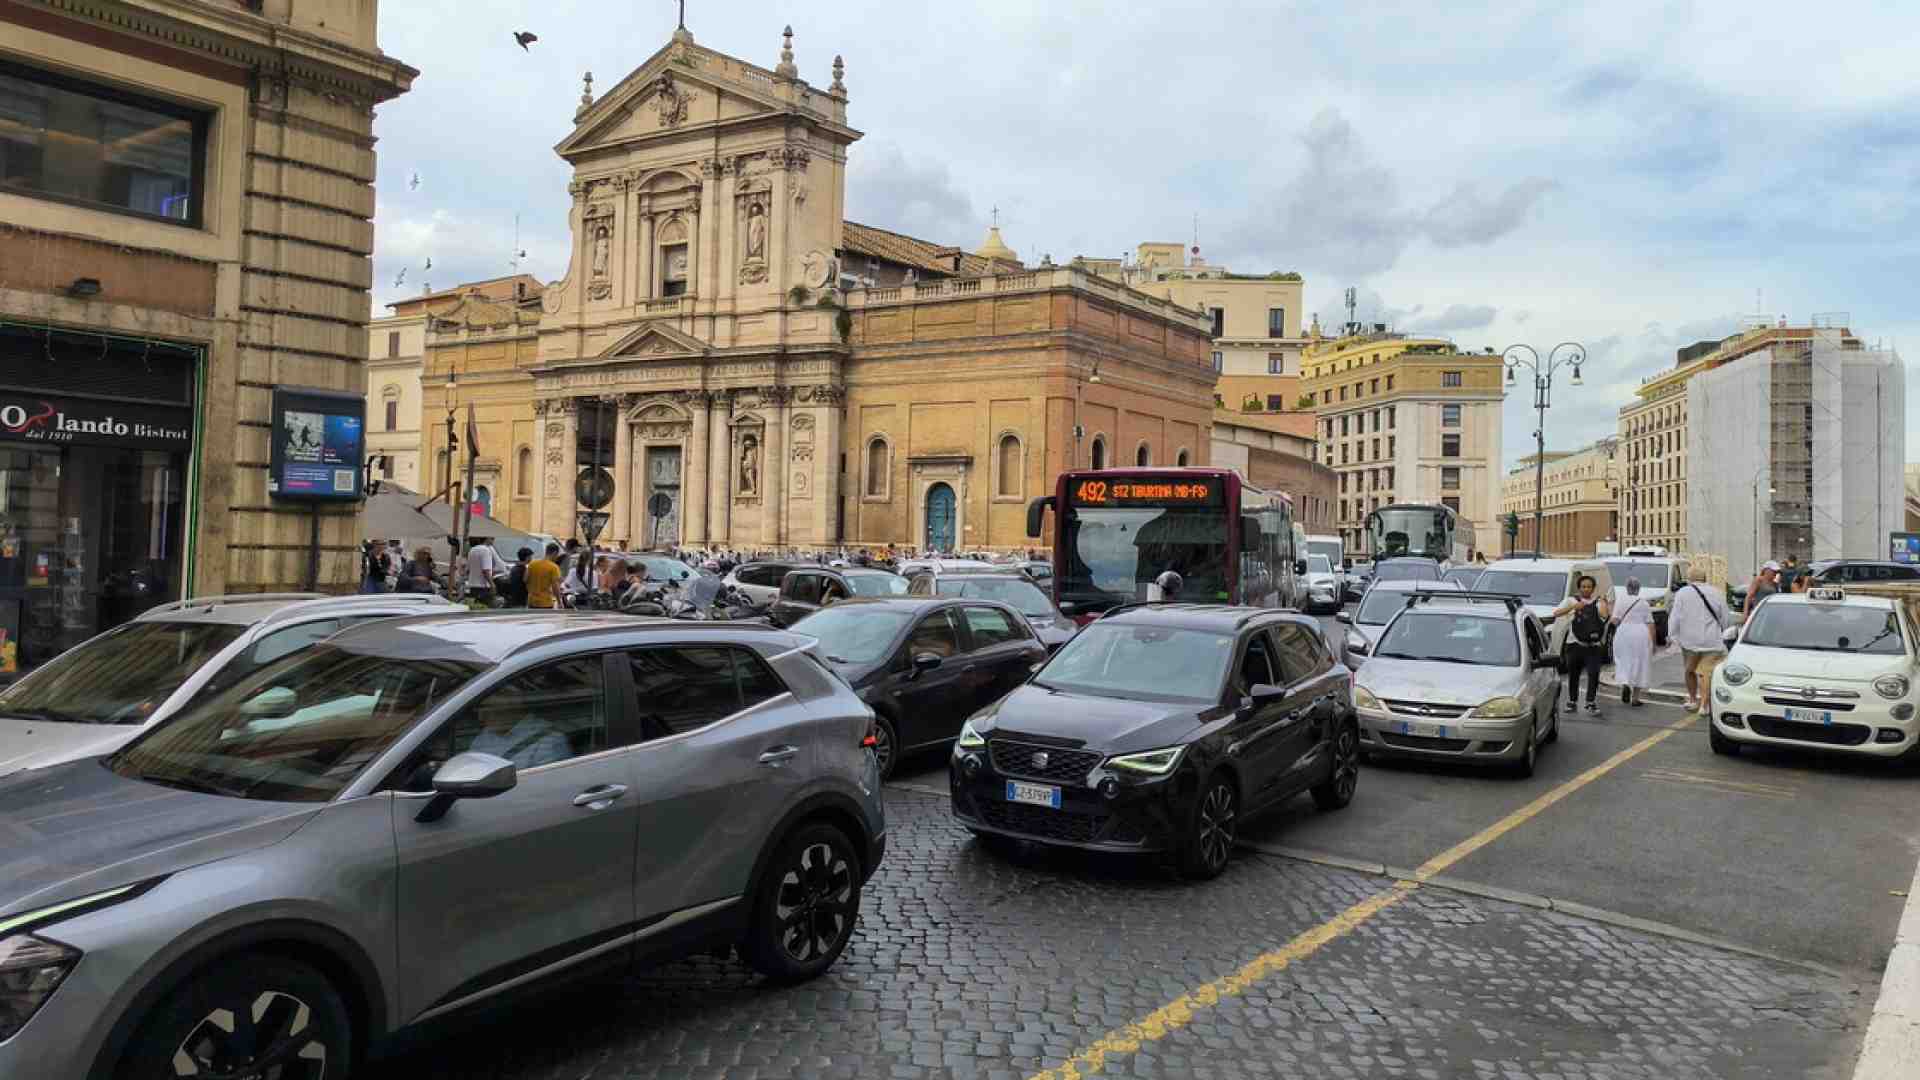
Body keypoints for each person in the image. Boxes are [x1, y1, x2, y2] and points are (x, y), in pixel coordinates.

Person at [1668, 565, 1729, 713]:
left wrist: (1672, 635)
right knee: (1706, 673)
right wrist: (1722, 631)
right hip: (1712, 640)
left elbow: (1675, 617)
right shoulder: (1717, 592)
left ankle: (1693, 699)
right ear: (1705, 578)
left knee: (1690, 670)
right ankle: (1705, 705)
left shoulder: (1682, 593)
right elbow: (1725, 618)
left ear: (1689, 579)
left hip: (1689, 641)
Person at [1554, 575, 1611, 715]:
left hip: (1594, 646)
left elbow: (1604, 615)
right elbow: (1556, 613)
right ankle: (1572, 702)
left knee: (1594, 674)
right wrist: (1573, 607)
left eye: (1589, 586)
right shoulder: (1571, 600)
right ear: (1579, 588)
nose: (1586, 589)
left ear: (1593, 588)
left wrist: (1603, 602)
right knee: (1574, 674)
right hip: (1574, 644)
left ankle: (1590, 702)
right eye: (1583, 586)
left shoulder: (1598, 602)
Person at [1611, 577, 1655, 707]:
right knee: (1640, 662)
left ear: (1627, 588)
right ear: (1638, 589)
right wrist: (1653, 642)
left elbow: (1614, 620)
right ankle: (1635, 699)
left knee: (1623, 659)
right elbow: (1651, 624)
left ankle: (1625, 683)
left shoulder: (1620, 601)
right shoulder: (1644, 603)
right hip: (1640, 633)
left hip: (1624, 632)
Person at [526, 543, 563, 609]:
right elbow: (555, 587)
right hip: (545, 603)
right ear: (554, 553)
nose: (557, 557)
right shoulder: (554, 567)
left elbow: (525, 580)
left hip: (531, 602)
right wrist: (559, 602)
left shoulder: (532, 564)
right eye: (557, 555)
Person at [465, 537, 499, 604]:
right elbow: (485, 570)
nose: (494, 539)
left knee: (476, 609)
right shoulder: (486, 550)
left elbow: (468, 569)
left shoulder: (472, 550)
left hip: (473, 586)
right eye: (492, 538)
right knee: (485, 610)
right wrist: (492, 585)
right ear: (486, 538)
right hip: (483, 587)